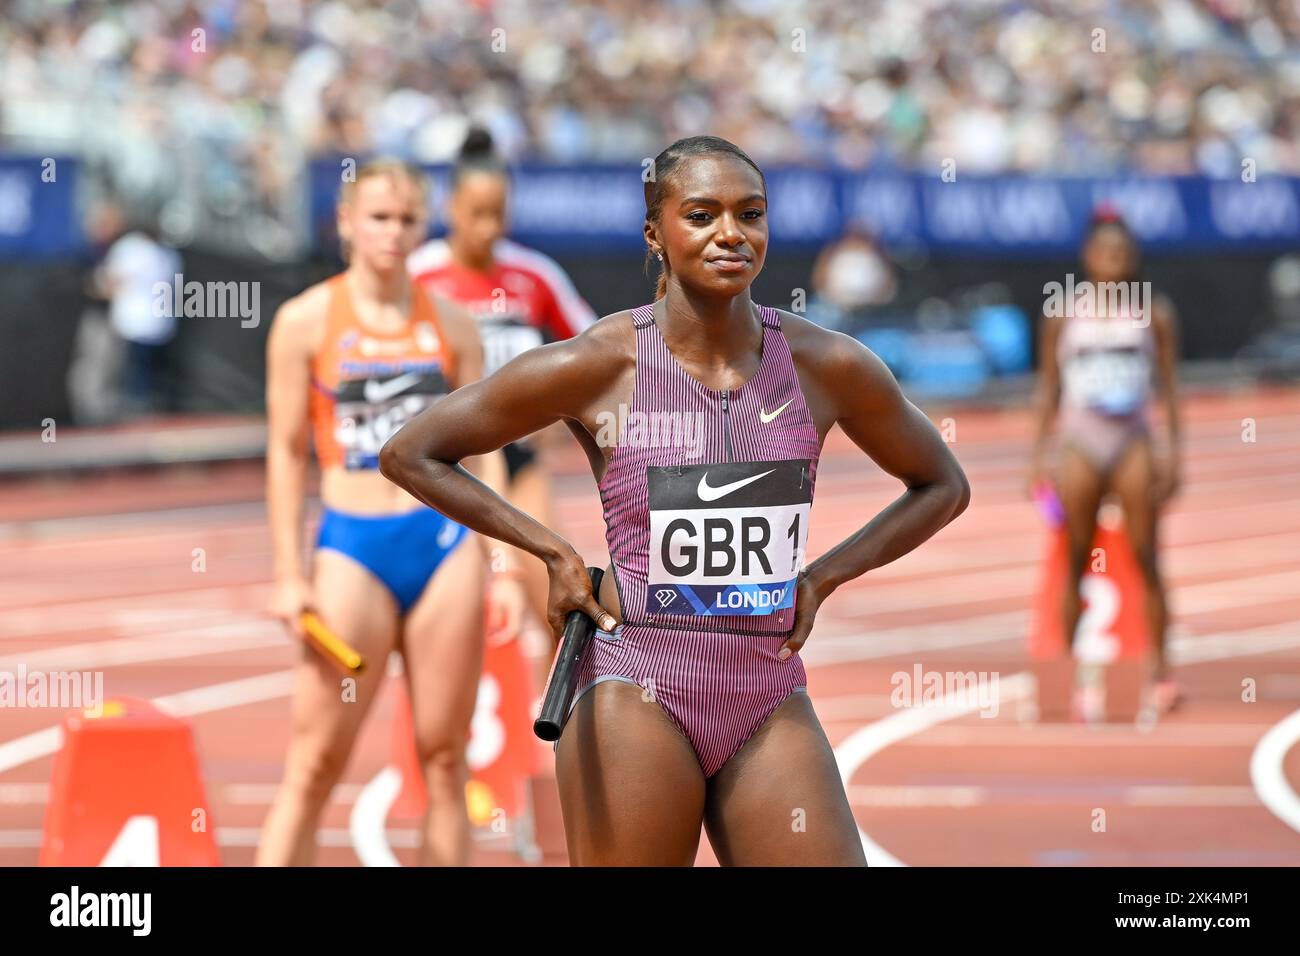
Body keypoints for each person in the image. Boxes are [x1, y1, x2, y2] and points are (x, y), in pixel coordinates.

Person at [380, 135, 969, 866]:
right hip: (636, 682)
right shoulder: (601, 363)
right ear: (656, 235)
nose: (731, 233)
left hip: (766, 685)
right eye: (702, 214)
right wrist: (551, 552)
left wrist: (822, 577)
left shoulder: (827, 364)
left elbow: (943, 485)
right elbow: (412, 452)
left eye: (749, 214)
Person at [257, 158, 520, 866]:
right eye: (377, 216)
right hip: (352, 548)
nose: (393, 233)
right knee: (313, 764)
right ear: (345, 221)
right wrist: (288, 573)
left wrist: (503, 566)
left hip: (442, 546)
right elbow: (285, 453)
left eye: (407, 219)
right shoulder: (304, 322)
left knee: (443, 757)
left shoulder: (454, 326)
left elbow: (486, 450)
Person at [409, 126, 597, 669]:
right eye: (476, 213)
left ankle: (546, 722)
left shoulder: (533, 274)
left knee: (553, 580)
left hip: (518, 456)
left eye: (498, 213)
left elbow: (592, 350)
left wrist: (561, 420)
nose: (488, 227)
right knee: (463, 596)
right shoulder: (421, 275)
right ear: (451, 207)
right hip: (445, 462)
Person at [1028, 208, 1183, 715]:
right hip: (1080, 441)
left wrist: (1173, 452)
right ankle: (1066, 676)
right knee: (1074, 559)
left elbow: (1170, 389)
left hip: (1132, 441)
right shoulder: (1062, 313)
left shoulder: (1153, 313)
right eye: (1104, 250)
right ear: (1088, 256)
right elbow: (1048, 388)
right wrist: (1038, 456)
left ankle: (1160, 672)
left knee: (1147, 557)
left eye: (1121, 251)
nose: (1113, 259)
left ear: (1131, 257)